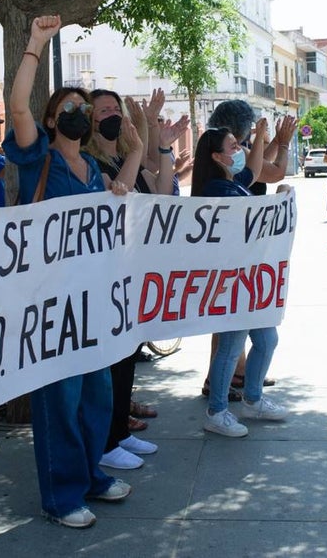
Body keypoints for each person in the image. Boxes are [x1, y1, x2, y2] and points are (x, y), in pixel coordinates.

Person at [3, 15, 140, 529]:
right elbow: (17, 105)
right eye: (70, 109)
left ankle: (91, 476)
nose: (81, 114)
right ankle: (62, 495)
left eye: (85, 107)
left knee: (95, 394)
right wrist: (36, 43)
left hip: (94, 303)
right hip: (52, 302)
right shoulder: (38, 157)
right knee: (59, 399)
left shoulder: (94, 170)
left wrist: (119, 195)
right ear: (51, 120)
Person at [86, 89, 184, 471]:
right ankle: (106, 442)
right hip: (104, 276)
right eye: (104, 110)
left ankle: (119, 433)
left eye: (116, 108)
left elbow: (161, 192)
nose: (112, 114)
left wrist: (163, 149)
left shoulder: (124, 156)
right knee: (110, 362)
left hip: (130, 273)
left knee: (127, 358)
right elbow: (116, 195)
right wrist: (139, 144)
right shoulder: (96, 162)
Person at [192, 124, 289, 438]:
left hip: (246, 280)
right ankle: (217, 411)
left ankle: (253, 399)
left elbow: (253, 169)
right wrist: (279, 201)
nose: (239, 151)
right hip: (229, 281)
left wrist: (260, 137)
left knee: (266, 340)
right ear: (217, 156)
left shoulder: (231, 182)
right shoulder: (218, 189)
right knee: (231, 346)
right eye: (233, 146)